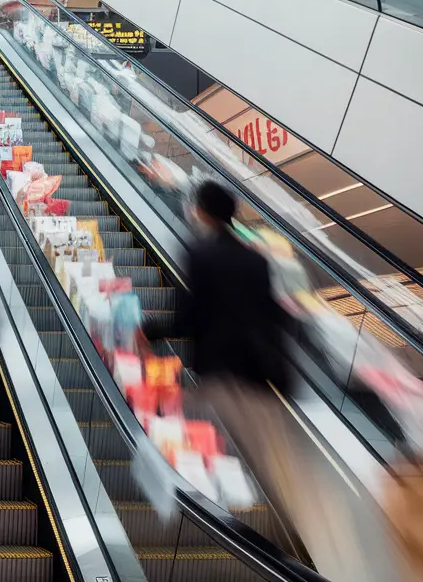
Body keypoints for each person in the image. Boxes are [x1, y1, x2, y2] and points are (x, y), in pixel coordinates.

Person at [148, 181, 403, 582]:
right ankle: (296, 551)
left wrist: (149, 331)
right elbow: (278, 316)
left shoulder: (201, 253)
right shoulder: (257, 259)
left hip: (223, 374)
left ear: (201, 211)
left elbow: (189, 317)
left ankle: (224, 532)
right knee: (268, 463)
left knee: (196, 439)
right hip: (263, 376)